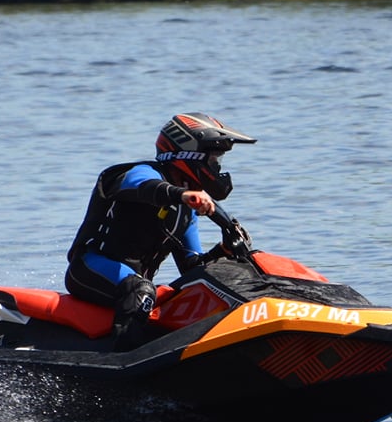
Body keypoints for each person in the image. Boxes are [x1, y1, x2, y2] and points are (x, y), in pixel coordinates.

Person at [65, 112, 255, 335]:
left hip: (135, 286)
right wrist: (183, 195)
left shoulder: (186, 210)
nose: (217, 168)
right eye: (213, 160)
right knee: (142, 290)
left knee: (189, 292)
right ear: (190, 154)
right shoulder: (142, 173)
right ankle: (123, 360)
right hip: (88, 268)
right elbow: (146, 187)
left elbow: (191, 267)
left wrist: (223, 250)